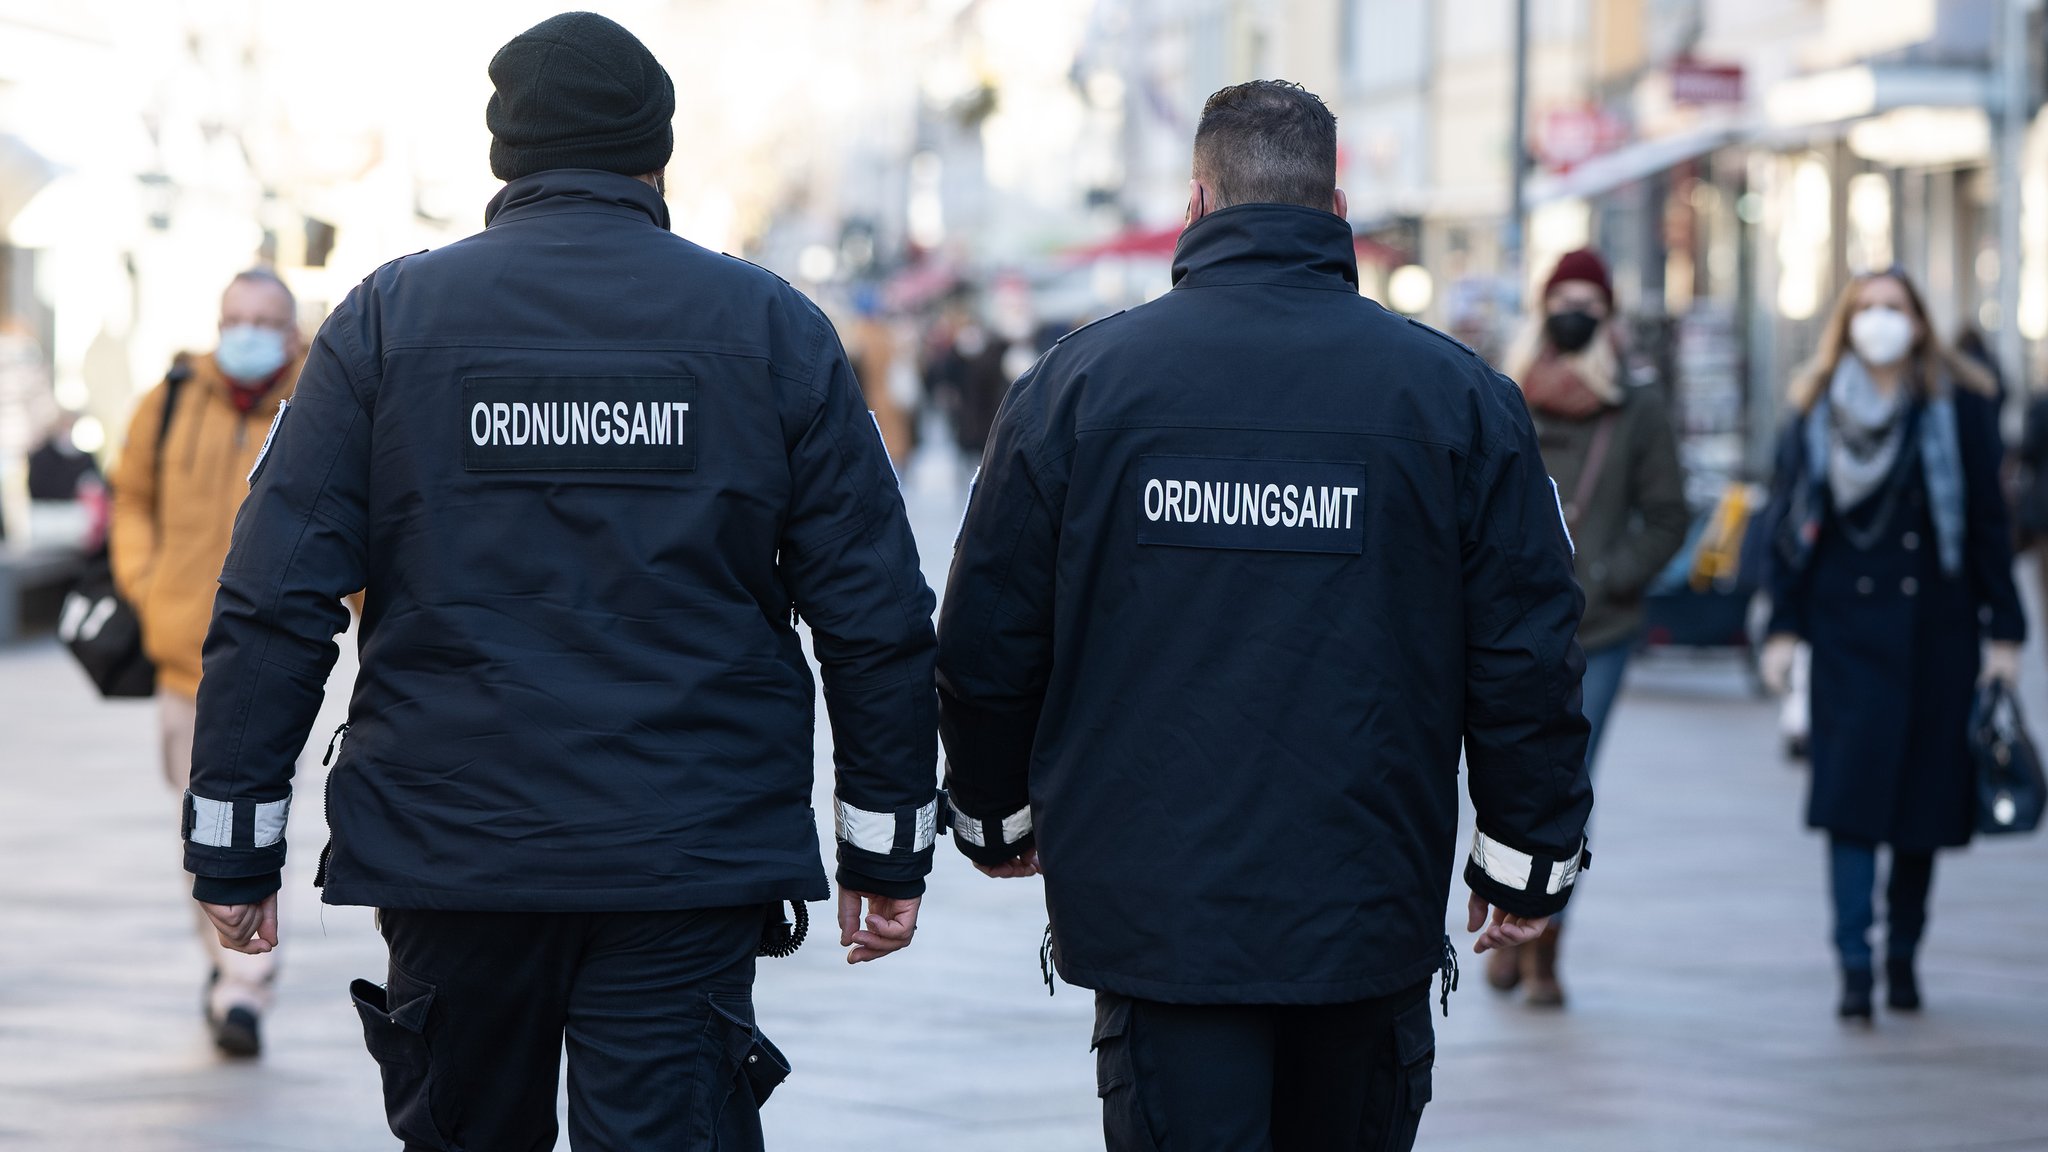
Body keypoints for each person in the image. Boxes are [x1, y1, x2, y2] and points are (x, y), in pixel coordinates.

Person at [180, 13, 938, 1149]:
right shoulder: (771, 329)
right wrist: (885, 841)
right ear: (656, 154)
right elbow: (873, 609)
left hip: (456, 851)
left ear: (506, 154)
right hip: (685, 854)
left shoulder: (387, 325)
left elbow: (273, 597)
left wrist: (235, 840)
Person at [938, 80, 1592, 1152]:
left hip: (1158, 917)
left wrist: (994, 812)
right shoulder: (1454, 397)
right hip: (1362, 901)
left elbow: (987, 635)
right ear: (1335, 212)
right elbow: (1526, 645)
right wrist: (1526, 851)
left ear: (1195, 204)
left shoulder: (1079, 387)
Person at [1758, 268, 2024, 1023]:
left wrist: (2005, 628)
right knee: (1850, 801)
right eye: (1867, 308)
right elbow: (1786, 525)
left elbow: (1987, 525)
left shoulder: (1959, 400)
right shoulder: (1813, 407)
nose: (1880, 320)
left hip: (1939, 633)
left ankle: (1903, 953)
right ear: (1846, 321)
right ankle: (1853, 962)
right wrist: (1782, 625)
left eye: (1894, 308)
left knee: (1924, 806)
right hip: (1848, 635)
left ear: (1919, 320)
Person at [109, 268, 306, 1056]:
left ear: (293, 334)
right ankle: (226, 968)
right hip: (183, 659)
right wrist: (147, 587)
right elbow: (130, 497)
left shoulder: (318, 400)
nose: (248, 332)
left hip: (278, 657)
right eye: (236, 317)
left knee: (255, 812)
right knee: (200, 817)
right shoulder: (170, 399)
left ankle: (245, 984)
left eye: (266, 320)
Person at [1494, 248, 1688, 1006]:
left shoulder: (1635, 405)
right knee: (1503, 771)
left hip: (1595, 628)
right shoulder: (1503, 390)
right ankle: (1507, 910)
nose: (1575, 310)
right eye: (1562, 297)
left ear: (1609, 314)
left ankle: (1543, 942)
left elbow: (1669, 515)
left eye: (1590, 299)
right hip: (1507, 620)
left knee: (1565, 778)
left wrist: (1609, 575)